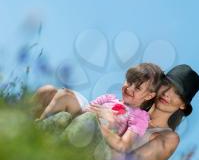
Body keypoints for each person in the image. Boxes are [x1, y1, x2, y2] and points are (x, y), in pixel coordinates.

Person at [88, 64, 199, 160]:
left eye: (177, 92)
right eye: (166, 84)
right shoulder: (130, 111)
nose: (167, 93)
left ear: (183, 105)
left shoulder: (169, 138)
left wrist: (108, 126)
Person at [33, 63, 164, 152]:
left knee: (89, 118)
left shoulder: (140, 116)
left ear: (148, 96)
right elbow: (84, 112)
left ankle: (55, 149)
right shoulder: (109, 98)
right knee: (64, 97)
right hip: (82, 123)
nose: (129, 88)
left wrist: (109, 122)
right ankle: (36, 128)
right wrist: (98, 113)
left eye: (138, 88)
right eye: (129, 82)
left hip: (98, 143)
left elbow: (123, 146)